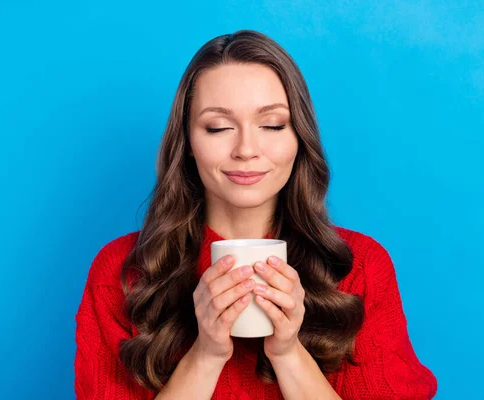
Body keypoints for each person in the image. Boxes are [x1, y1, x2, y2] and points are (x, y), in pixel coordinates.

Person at [74, 30, 437, 400]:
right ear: (188, 143)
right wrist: (206, 355)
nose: (246, 149)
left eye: (273, 125)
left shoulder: (360, 268)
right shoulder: (121, 273)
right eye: (218, 127)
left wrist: (287, 353)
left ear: (300, 137)